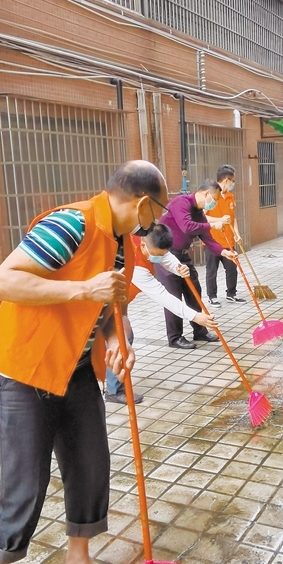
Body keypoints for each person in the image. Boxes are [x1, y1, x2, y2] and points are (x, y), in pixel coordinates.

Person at [0, 161, 168, 564]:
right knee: (26, 477)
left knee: (89, 463)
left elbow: (105, 308)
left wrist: (111, 344)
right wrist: (84, 287)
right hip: (25, 366)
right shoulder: (73, 223)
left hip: (77, 366)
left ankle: (78, 561)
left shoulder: (124, 244)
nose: (156, 219)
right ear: (143, 204)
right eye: (157, 209)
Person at [105, 225, 217, 403]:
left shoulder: (149, 240)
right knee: (122, 338)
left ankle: (113, 386)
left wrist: (178, 268)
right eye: (156, 254)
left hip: (121, 302)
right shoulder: (135, 264)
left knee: (125, 337)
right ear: (143, 247)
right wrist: (195, 316)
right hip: (106, 304)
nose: (158, 258)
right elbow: (163, 296)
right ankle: (113, 390)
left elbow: (166, 256)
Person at [157, 179, 237, 349]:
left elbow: (207, 238)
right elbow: (187, 227)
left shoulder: (199, 212)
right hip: (166, 256)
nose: (213, 204)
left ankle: (199, 331)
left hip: (183, 256)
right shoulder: (181, 202)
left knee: (194, 293)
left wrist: (224, 252)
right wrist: (211, 224)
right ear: (206, 194)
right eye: (213, 199)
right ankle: (175, 337)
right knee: (173, 296)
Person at [205, 165, 246, 306]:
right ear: (226, 180)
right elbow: (203, 218)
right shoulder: (210, 195)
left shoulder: (230, 196)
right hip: (212, 241)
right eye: (233, 181)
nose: (234, 184)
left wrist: (237, 234)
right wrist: (220, 220)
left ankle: (231, 293)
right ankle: (212, 296)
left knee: (232, 268)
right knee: (212, 270)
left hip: (228, 241)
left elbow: (233, 218)